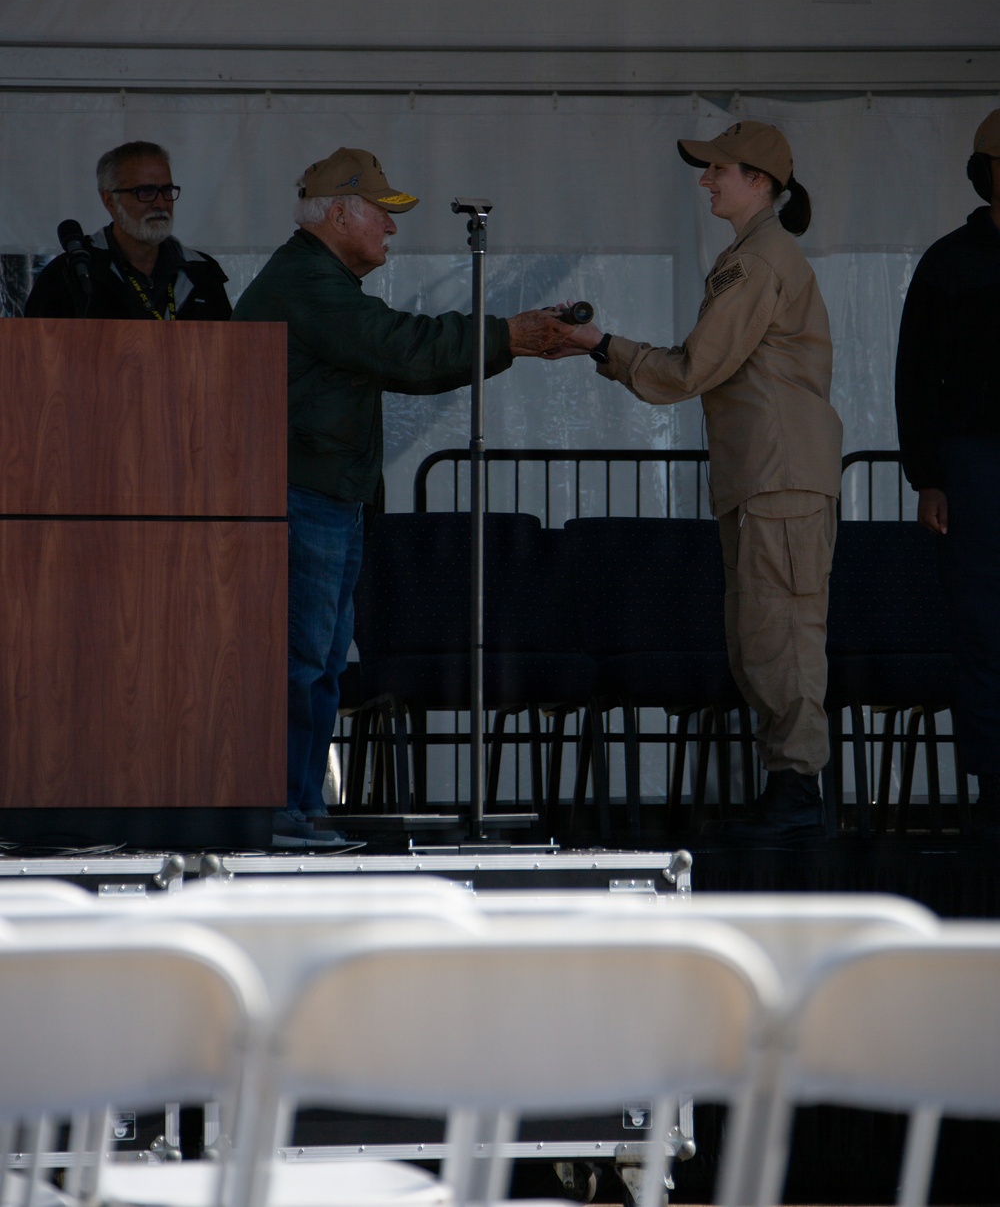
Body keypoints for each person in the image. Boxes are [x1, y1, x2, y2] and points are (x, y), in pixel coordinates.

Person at [232, 146, 574, 849]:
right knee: (303, 663)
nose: (392, 230)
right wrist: (507, 336)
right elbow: (401, 350)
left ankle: (294, 811)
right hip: (305, 497)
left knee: (319, 663)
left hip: (325, 496)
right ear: (335, 215)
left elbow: (396, 350)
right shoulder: (305, 284)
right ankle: (281, 814)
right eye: (380, 214)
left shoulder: (314, 281)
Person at [549, 121, 843, 844]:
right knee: (762, 635)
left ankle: (799, 793)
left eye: (720, 169)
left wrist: (601, 345)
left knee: (780, 636)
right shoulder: (754, 256)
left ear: (760, 182)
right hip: (767, 474)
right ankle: (791, 790)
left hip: (776, 476)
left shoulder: (760, 260)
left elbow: (690, 371)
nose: (707, 180)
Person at [895, 108, 1000, 836]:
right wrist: (928, 476)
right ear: (986, 172)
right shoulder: (948, 264)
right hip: (974, 466)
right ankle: (996, 791)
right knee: (985, 630)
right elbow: (915, 378)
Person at [24, 140, 231, 320]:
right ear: (109, 201)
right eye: (145, 191)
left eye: (166, 190)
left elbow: (228, 354)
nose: (160, 203)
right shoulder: (70, 275)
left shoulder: (202, 273)